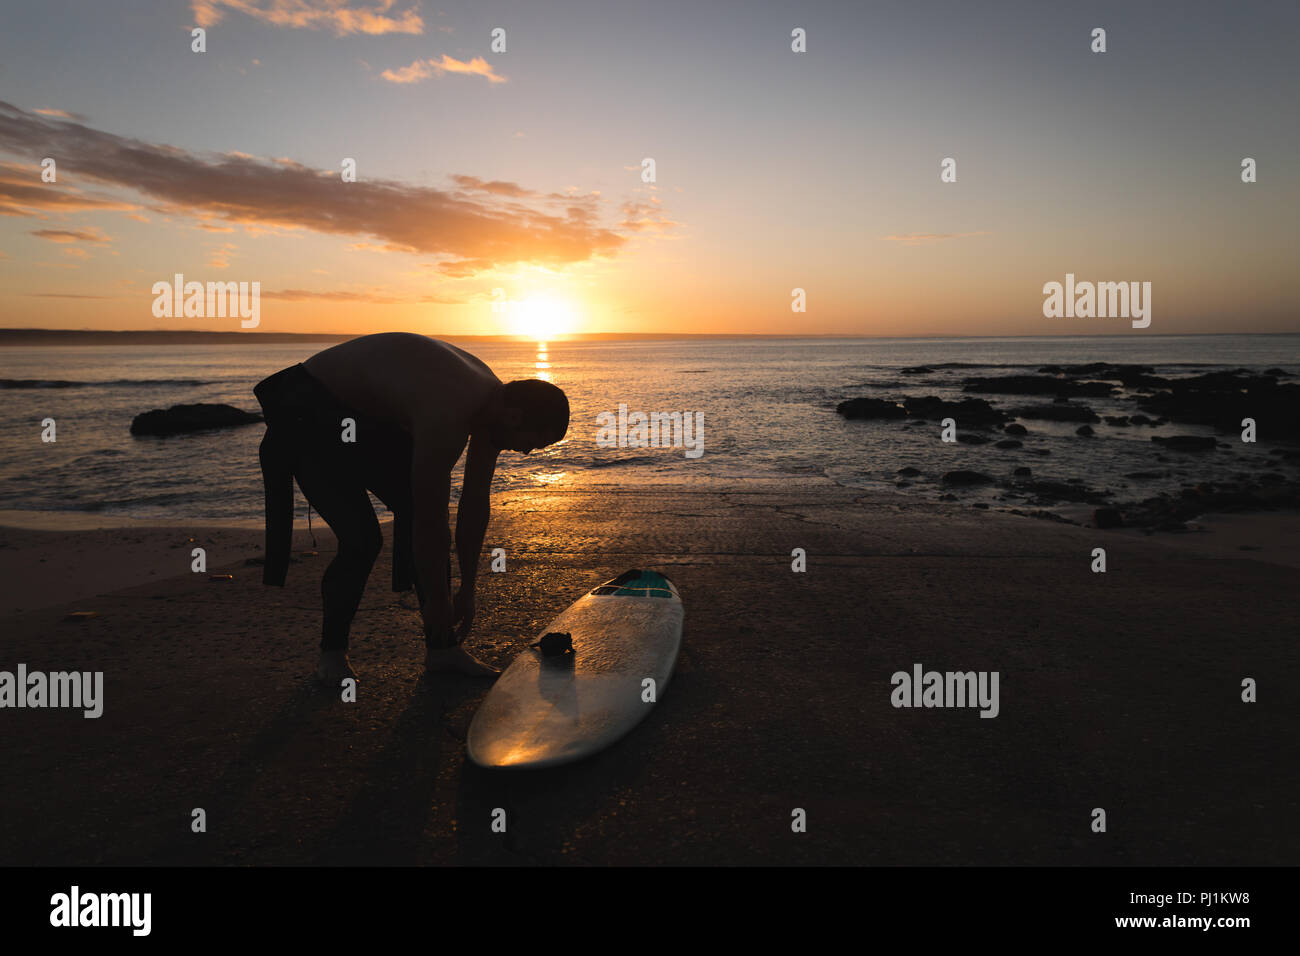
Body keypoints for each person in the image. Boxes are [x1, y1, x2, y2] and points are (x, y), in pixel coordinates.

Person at [253, 332, 569, 684]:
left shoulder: (493, 407)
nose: (525, 452)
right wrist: (438, 600)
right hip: (307, 412)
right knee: (363, 540)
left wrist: (467, 590)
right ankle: (332, 655)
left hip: (366, 420)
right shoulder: (449, 410)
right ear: (514, 418)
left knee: (423, 524)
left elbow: (475, 501)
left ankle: (442, 652)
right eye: (531, 444)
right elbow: (430, 516)